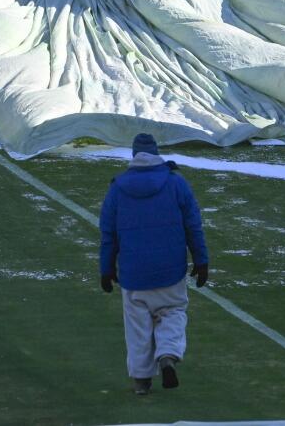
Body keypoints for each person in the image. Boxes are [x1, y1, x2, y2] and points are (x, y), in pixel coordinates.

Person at [99, 133, 209, 395]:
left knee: (138, 327)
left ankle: (141, 381)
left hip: (133, 273)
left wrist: (106, 269)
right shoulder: (176, 183)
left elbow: (108, 234)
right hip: (170, 269)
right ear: (157, 153)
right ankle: (168, 355)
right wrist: (201, 260)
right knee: (172, 311)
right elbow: (193, 225)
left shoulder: (117, 188)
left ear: (134, 156)